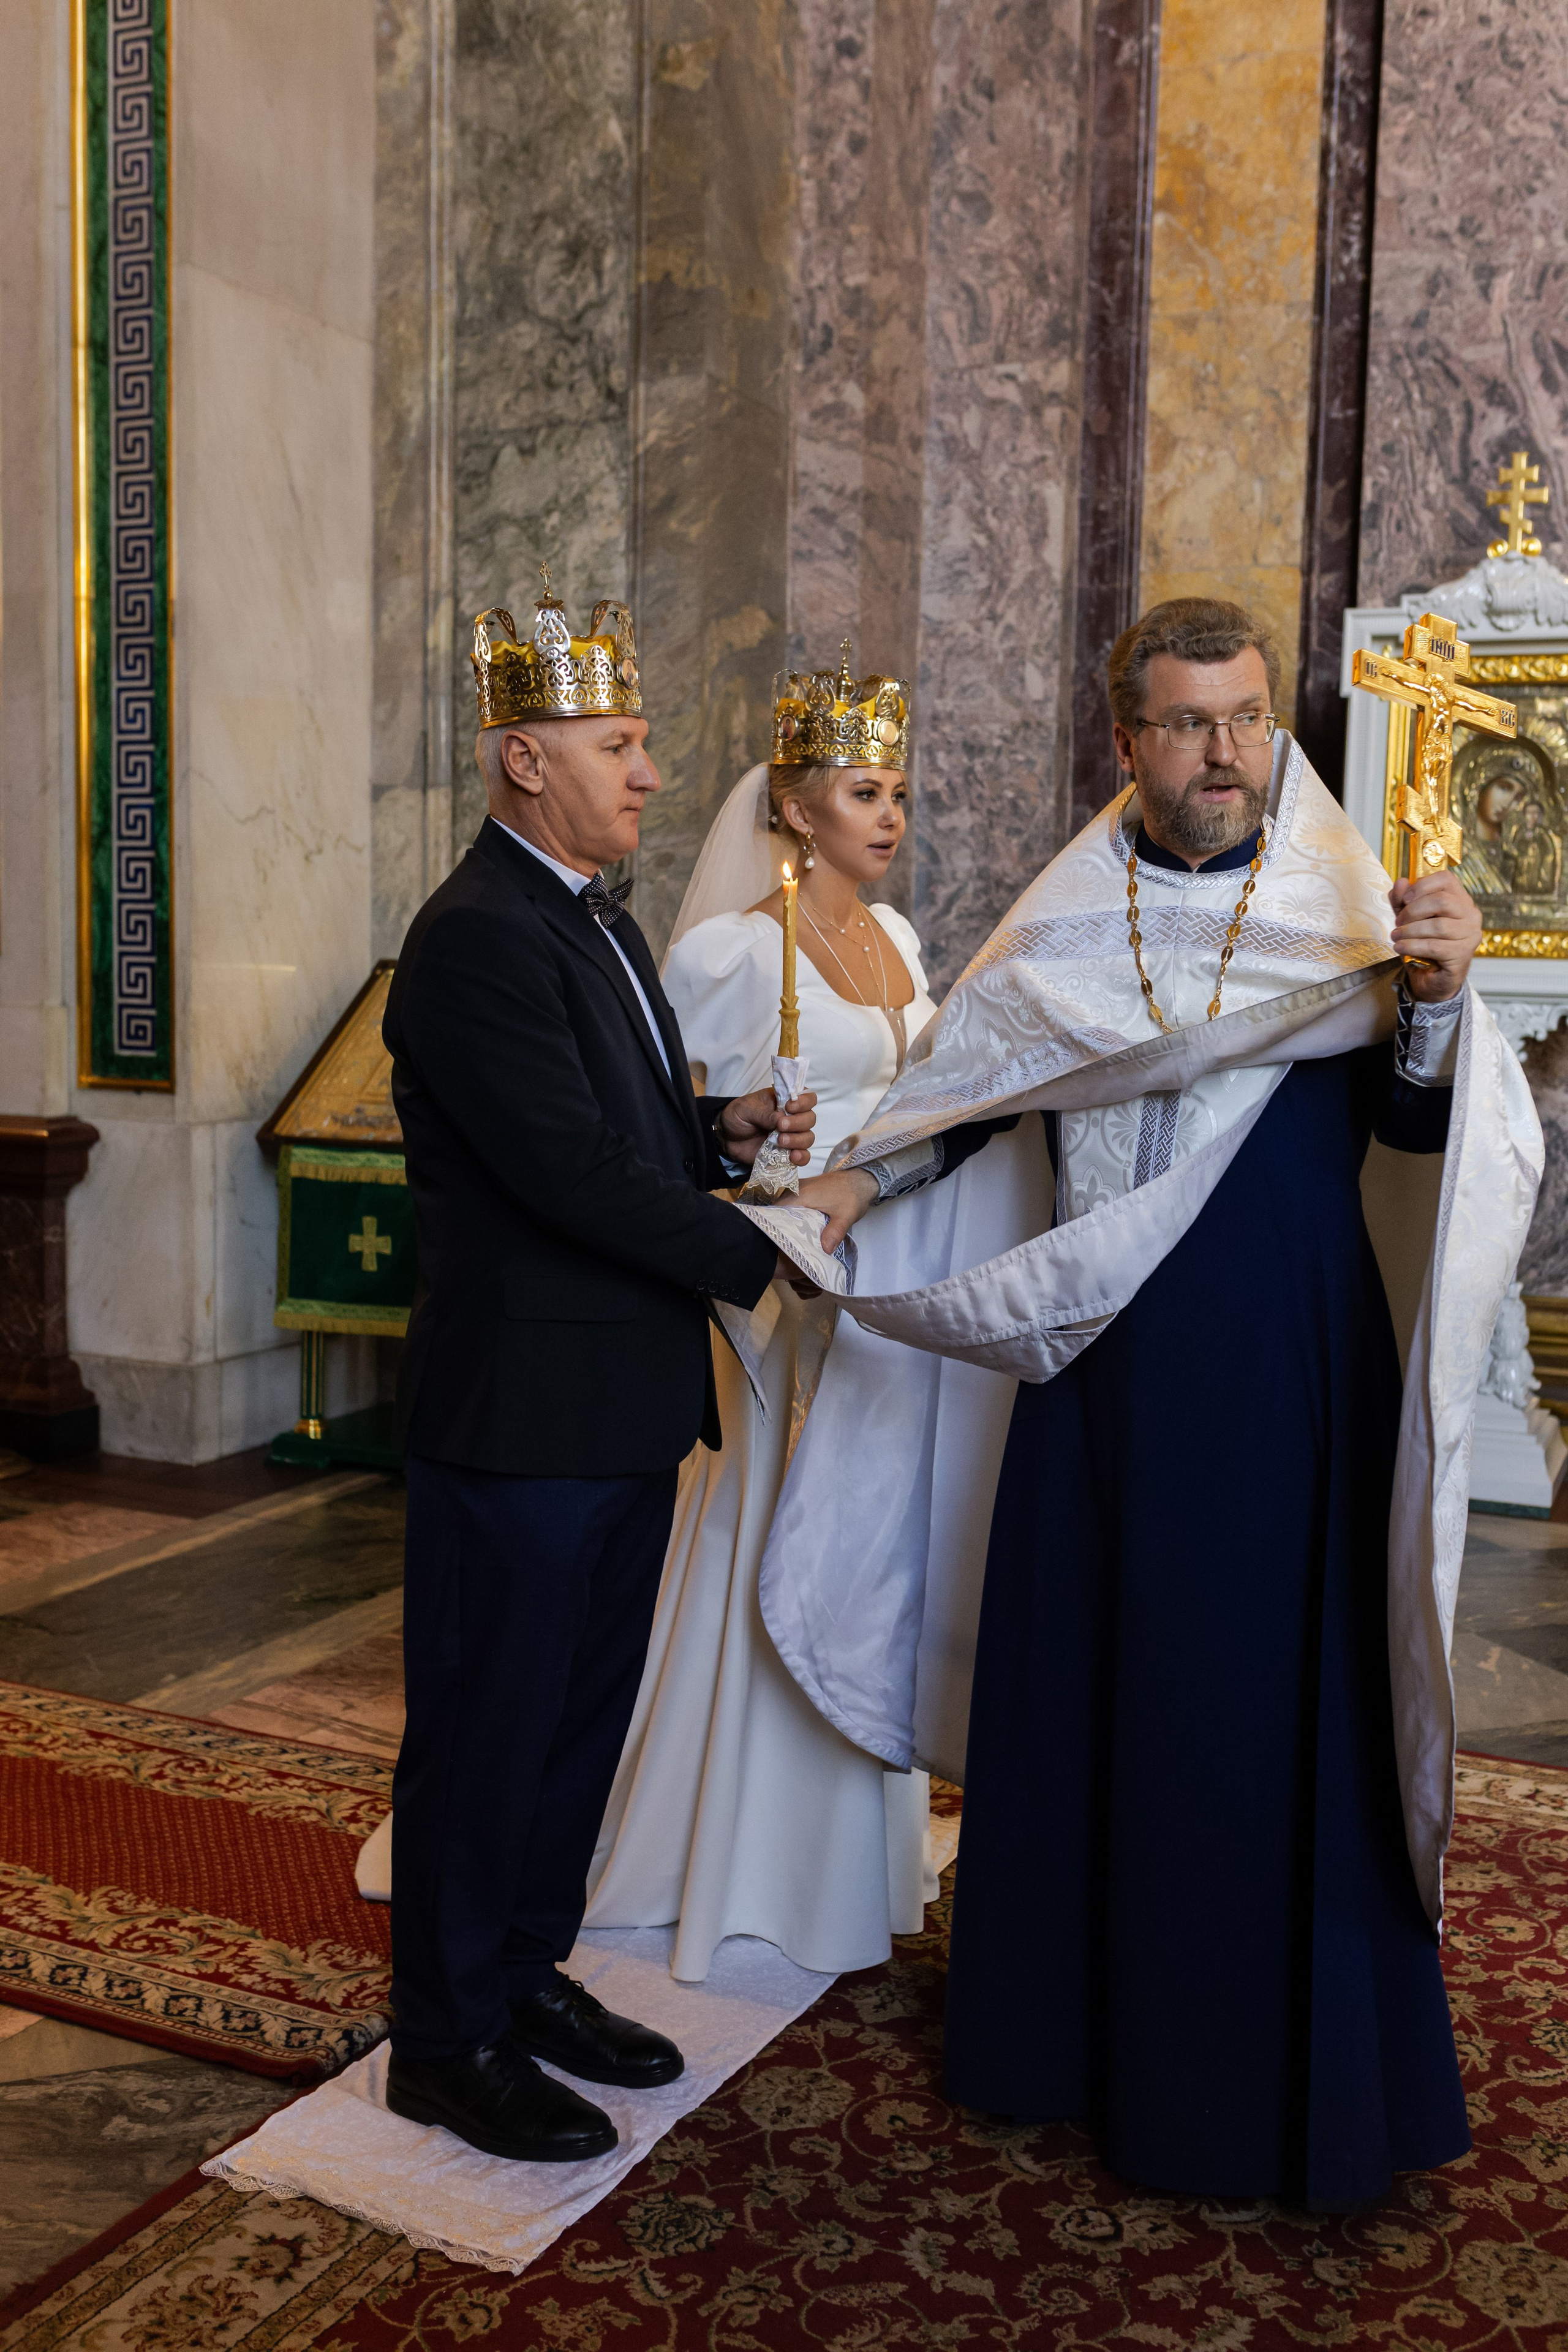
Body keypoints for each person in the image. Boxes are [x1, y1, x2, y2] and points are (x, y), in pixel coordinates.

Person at [761, 597, 1541, 2209]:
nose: (1225, 754)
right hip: (1103, 1381)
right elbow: (980, 1094)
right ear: (1129, 742)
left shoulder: (1343, 898)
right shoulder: (1066, 918)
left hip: (1288, 1379)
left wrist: (1446, 1005)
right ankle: (1068, 2043)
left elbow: (1411, 1140)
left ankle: (1278, 2063)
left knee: (1271, 1717)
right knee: (1103, 1699)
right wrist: (849, 1184)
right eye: (1187, 725)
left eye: (1248, 719)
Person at [381, 578, 816, 2165]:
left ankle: (521, 1975)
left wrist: (720, 1139)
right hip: (519, 1429)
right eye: (617, 744)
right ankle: (442, 2041)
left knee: (577, 1730)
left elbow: (618, 1135)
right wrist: (767, 1242)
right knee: (488, 1738)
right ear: (522, 761)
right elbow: (562, 1174)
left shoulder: (596, 920)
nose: (649, 774)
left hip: (619, 1410)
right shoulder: (475, 940)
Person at [584, 647, 948, 1979]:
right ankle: (714, 1834)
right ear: (795, 809)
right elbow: (681, 1139)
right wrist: (751, 1154)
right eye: (863, 791)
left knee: (866, 1537)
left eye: (897, 790)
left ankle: (844, 1844)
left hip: (886, 1279)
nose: (889, 815)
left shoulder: (901, 939)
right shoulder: (733, 951)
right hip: (774, 1286)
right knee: (766, 1520)